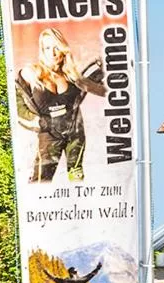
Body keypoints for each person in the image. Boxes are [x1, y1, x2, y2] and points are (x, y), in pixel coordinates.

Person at [15, 28, 106, 183]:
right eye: (47, 48)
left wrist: (103, 72)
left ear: (63, 48)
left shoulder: (73, 76)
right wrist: (38, 122)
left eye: (56, 47)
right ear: (42, 50)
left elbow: (105, 91)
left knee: (76, 177)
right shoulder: (31, 72)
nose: (53, 52)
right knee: (41, 181)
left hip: (74, 133)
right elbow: (17, 107)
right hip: (48, 135)